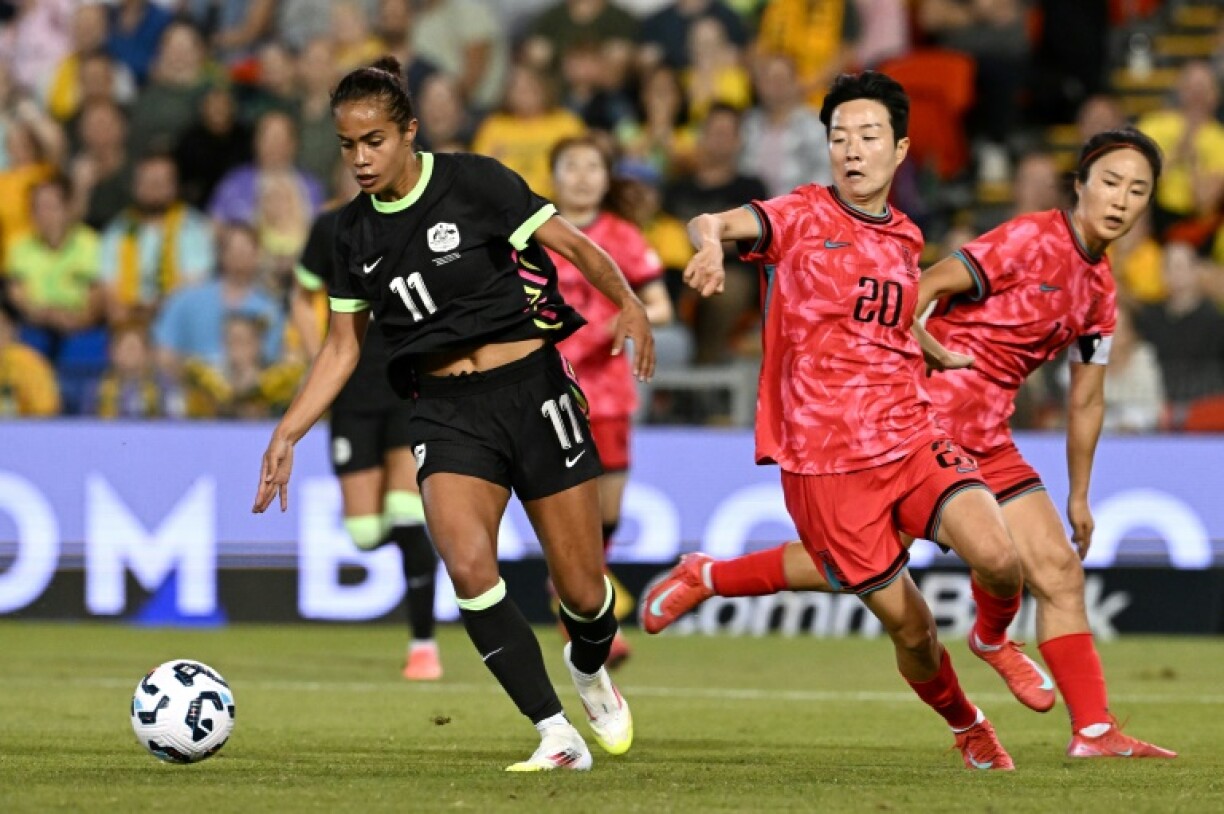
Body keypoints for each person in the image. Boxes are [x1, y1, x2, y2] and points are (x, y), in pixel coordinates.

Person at [646, 127, 1178, 760]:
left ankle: (1092, 729)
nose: (1120, 199)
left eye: (1137, 190)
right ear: (1081, 184)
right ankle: (711, 575)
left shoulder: (1102, 291)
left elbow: (1087, 398)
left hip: (988, 433)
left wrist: (1082, 494)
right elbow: (921, 288)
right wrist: (926, 354)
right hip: (920, 421)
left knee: (1057, 569)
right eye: (1111, 182)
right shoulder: (1030, 238)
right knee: (854, 568)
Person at [253, 57, 655, 772]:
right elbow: (342, 347)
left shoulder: (475, 182)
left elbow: (571, 243)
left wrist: (627, 301)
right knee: (469, 567)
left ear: (409, 131)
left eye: (374, 140)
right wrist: (288, 431)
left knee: (585, 595)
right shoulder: (350, 235)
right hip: (443, 411)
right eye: (348, 146)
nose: (361, 159)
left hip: (531, 393)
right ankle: (555, 733)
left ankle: (590, 670)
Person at [671, 71, 1030, 770]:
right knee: (915, 630)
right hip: (826, 459)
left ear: (899, 150)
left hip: (908, 431)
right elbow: (714, 220)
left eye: (868, 137)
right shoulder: (802, 214)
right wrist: (711, 244)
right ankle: (967, 724)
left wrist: (932, 348)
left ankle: (993, 639)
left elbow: (887, 315)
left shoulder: (905, 235)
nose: (852, 150)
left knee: (999, 555)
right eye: (839, 138)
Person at [290, 187, 443, 681]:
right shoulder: (329, 225)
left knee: (406, 511)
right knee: (364, 533)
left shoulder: (419, 221)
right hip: (351, 393)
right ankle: (416, 547)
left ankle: (423, 646)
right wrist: (321, 359)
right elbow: (302, 292)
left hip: (404, 382)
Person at [547, 135, 675, 667]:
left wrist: (617, 321)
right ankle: (580, 616)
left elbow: (660, 306)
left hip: (610, 393)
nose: (581, 176)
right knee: (566, 512)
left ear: (606, 176)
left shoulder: (622, 237)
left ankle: (579, 600)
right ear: (553, 176)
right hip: (552, 389)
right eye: (570, 165)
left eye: (591, 166)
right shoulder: (534, 233)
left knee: (607, 517)